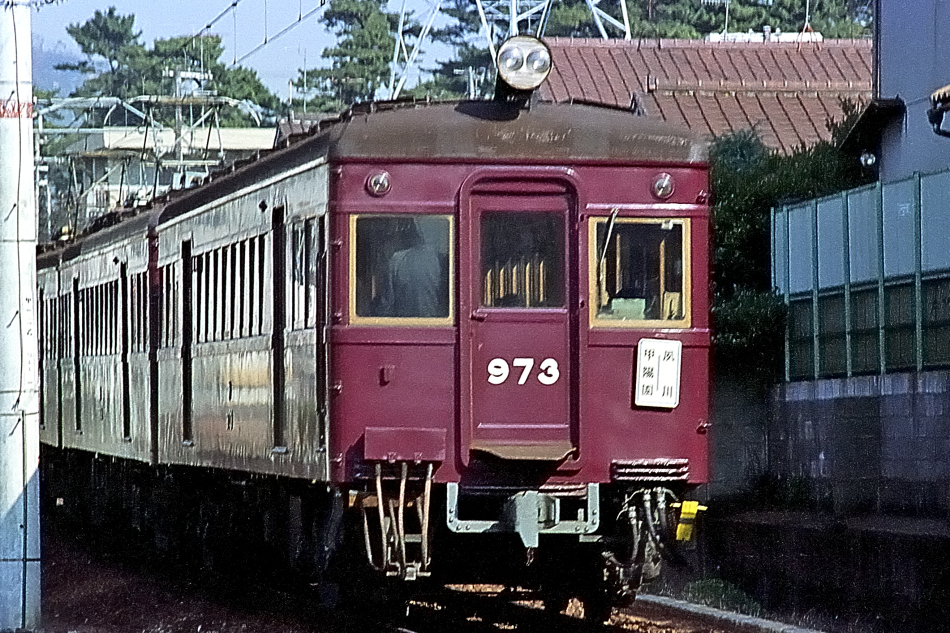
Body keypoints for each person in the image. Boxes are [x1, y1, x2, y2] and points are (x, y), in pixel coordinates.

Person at [384, 220, 446, 318]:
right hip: (437, 323)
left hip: (404, 325)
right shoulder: (440, 260)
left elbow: (387, 303)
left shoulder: (396, 260)